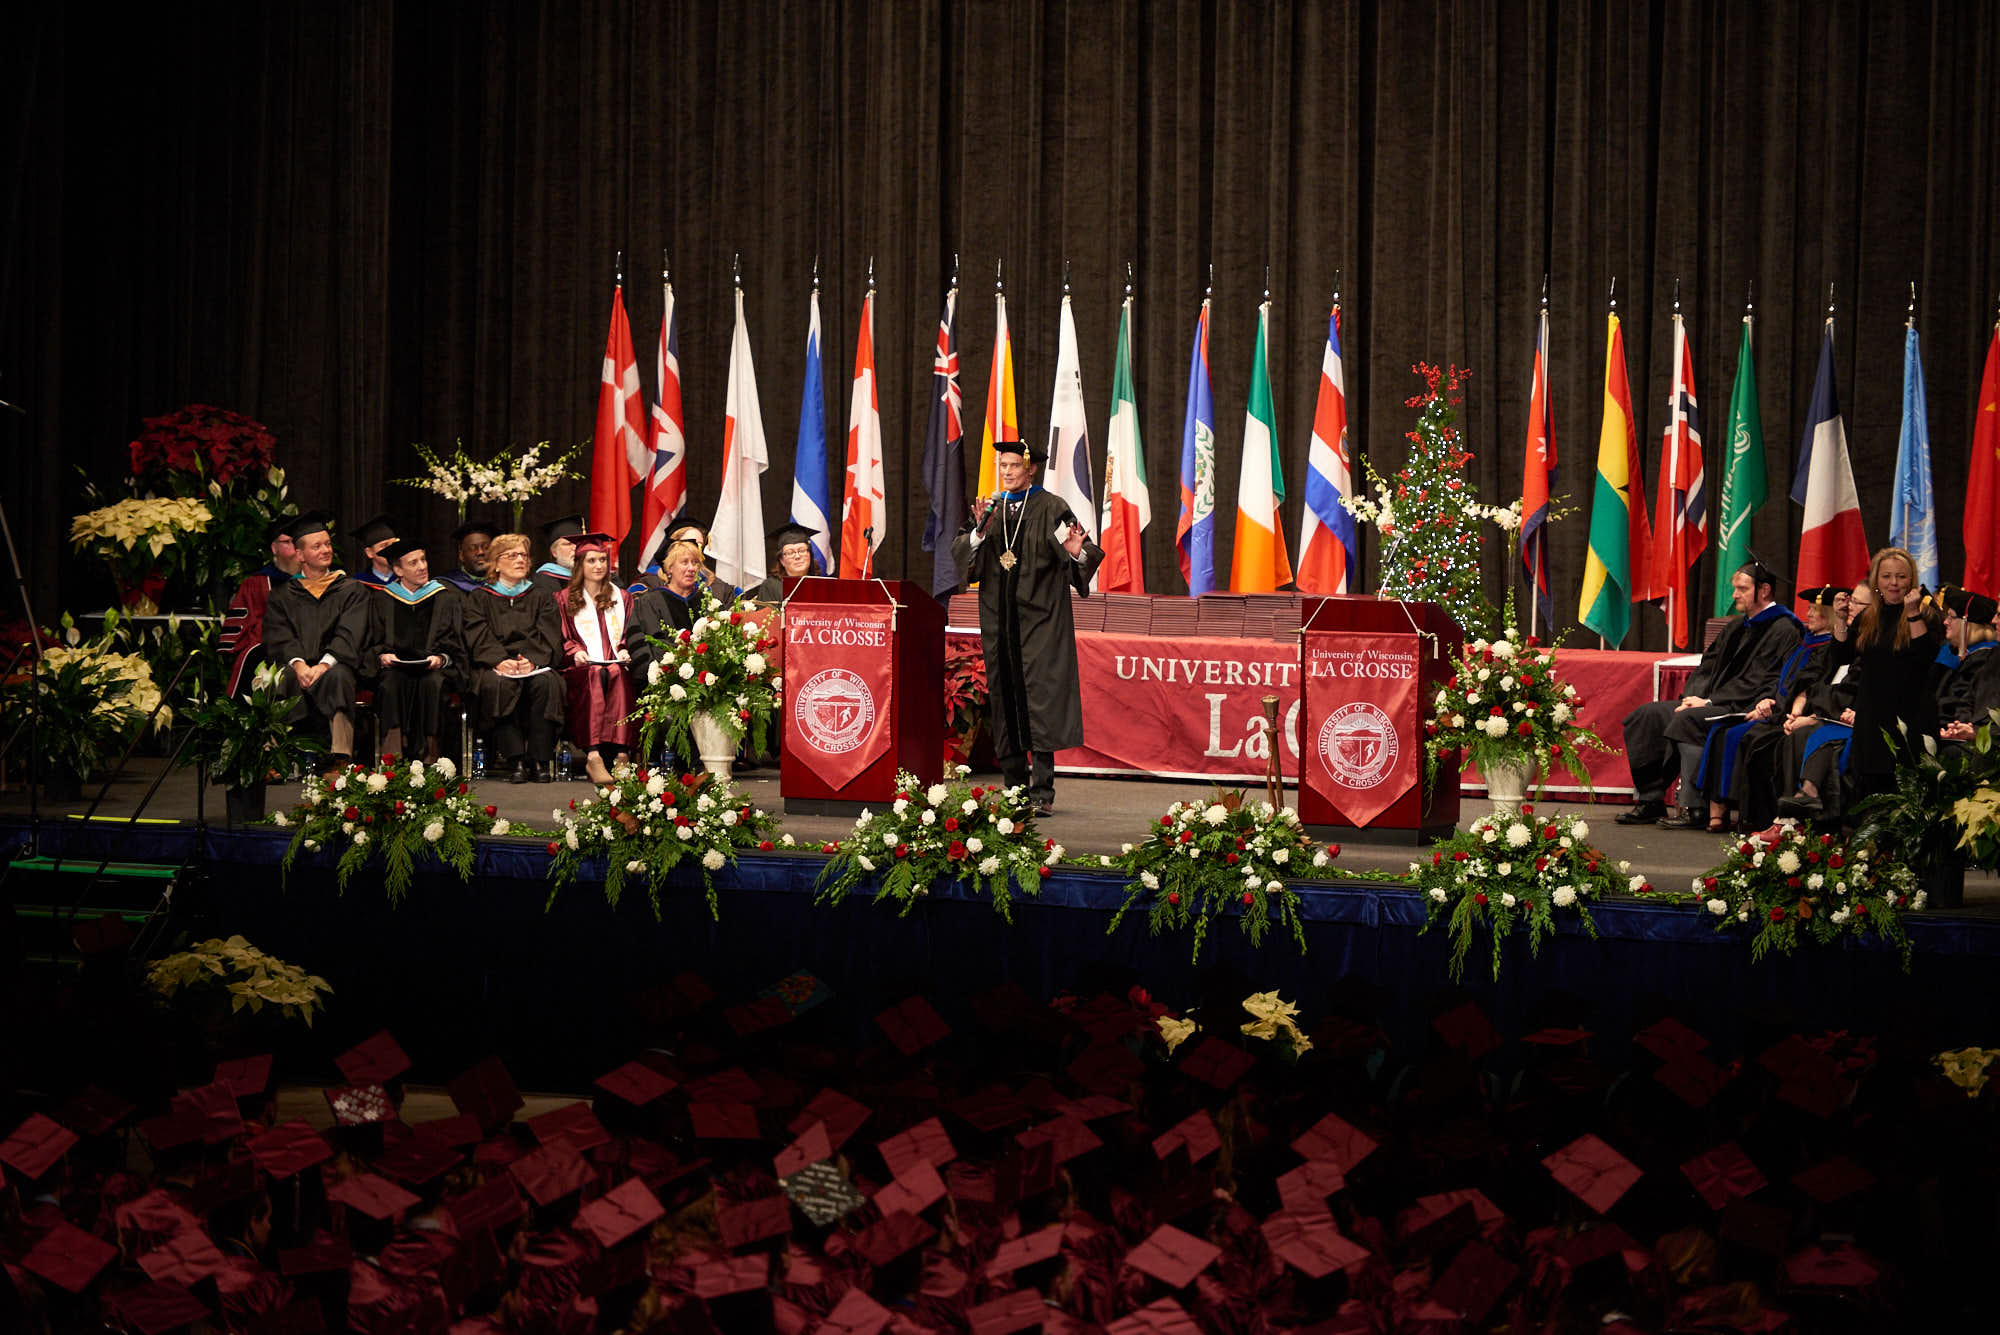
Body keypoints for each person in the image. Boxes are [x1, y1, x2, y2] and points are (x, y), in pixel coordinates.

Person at [952, 440, 1103, 816]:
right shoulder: (991, 509)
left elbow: (1083, 552)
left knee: (1040, 703)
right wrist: (978, 534)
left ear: (1031, 468)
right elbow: (962, 552)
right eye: (1002, 464)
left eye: (1014, 465)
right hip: (999, 622)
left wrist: (1075, 553)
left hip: (1040, 623)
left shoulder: (1052, 508)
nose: (1006, 471)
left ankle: (1042, 792)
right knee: (1005, 700)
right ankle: (1014, 788)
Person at [1616, 561, 1802, 828]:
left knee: (1688, 720)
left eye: (1742, 589)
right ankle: (1651, 800)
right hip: (1710, 702)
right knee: (1646, 716)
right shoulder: (1737, 627)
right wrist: (1690, 698)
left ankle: (1697, 808)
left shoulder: (1785, 629)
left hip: (1745, 707)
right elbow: (1707, 667)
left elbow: (1761, 680)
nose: (1735, 594)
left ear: (1764, 590)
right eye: (1735, 588)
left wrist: (1708, 702)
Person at [1781, 547, 1941, 820]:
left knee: (1905, 790)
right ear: (1876, 580)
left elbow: (1924, 657)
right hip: (1873, 714)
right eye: (1887, 576)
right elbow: (1842, 655)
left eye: (1901, 577)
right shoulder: (1870, 617)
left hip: (1910, 715)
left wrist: (1912, 613)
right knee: (1870, 786)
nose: (1893, 583)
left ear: (1911, 579)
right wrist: (1841, 620)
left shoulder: (1925, 612)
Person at [1690, 586, 1840, 833]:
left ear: (1828, 616)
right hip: (1776, 710)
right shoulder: (1805, 644)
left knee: (1750, 740)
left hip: (1795, 717)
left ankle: (1756, 817)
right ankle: (1719, 811)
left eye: (1815, 610)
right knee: (1721, 731)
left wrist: (1788, 711)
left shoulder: (1828, 648)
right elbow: (1779, 680)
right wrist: (1768, 700)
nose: (1809, 614)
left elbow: (1810, 689)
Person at [261, 513, 372, 770]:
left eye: (327, 544)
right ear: (300, 555)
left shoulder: (350, 589)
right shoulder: (283, 594)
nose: (325, 550)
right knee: (277, 678)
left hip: (335, 663)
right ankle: (273, 758)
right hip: (296, 665)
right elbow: (280, 634)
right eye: (317, 546)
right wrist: (300, 665)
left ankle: (340, 757)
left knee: (339, 678)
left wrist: (322, 666)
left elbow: (350, 632)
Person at [462, 532, 565, 784]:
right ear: (496, 563)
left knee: (548, 684)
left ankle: (540, 760)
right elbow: (477, 633)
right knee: (497, 685)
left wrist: (531, 659)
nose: (520, 560)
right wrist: (498, 660)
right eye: (512, 555)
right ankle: (515, 760)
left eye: (523, 555)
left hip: (532, 664)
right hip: (496, 665)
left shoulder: (540, 596)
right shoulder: (480, 598)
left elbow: (549, 633)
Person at [366, 539, 462, 763]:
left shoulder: (444, 597)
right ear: (398, 570)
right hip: (394, 669)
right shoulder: (382, 599)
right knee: (390, 684)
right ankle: (393, 756)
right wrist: (382, 656)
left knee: (434, 683)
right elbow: (371, 641)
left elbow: (455, 643)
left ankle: (432, 755)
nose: (422, 566)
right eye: (413, 563)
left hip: (432, 669)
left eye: (423, 559)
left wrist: (441, 658)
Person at [557, 533, 637, 784]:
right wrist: (574, 652)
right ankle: (593, 757)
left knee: (616, 671)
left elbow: (627, 633)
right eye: (591, 560)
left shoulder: (622, 597)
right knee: (594, 673)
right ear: (580, 564)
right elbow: (562, 637)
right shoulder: (563, 598)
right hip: (578, 666)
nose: (599, 566)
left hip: (614, 661)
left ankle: (622, 755)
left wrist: (624, 648)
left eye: (603, 559)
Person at [219, 512, 306, 696]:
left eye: (299, 542)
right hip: (267, 654)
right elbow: (238, 632)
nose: (295, 548)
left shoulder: (318, 581)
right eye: (288, 542)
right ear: (274, 548)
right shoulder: (256, 583)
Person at [625, 538, 716, 683]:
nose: (692, 568)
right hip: (664, 685)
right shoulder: (649, 603)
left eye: (695, 563)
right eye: (685, 562)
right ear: (670, 568)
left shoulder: (708, 601)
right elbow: (641, 651)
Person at [755, 521, 820, 603]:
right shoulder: (771, 587)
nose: (797, 556)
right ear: (782, 560)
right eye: (790, 552)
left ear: (810, 554)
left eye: (802, 550)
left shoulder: (821, 585)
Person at [441, 520, 499, 593]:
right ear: (461, 555)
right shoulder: (447, 587)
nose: (480, 552)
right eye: (473, 548)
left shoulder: (506, 585)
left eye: (486, 547)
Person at [533, 514, 585, 595]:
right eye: (568, 544)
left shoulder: (592, 575)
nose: (575, 548)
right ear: (554, 552)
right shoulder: (544, 580)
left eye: (578, 543)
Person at [350, 515, 399, 587]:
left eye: (394, 544)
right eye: (384, 545)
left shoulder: (406, 579)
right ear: (369, 553)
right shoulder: (358, 584)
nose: (392, 549)